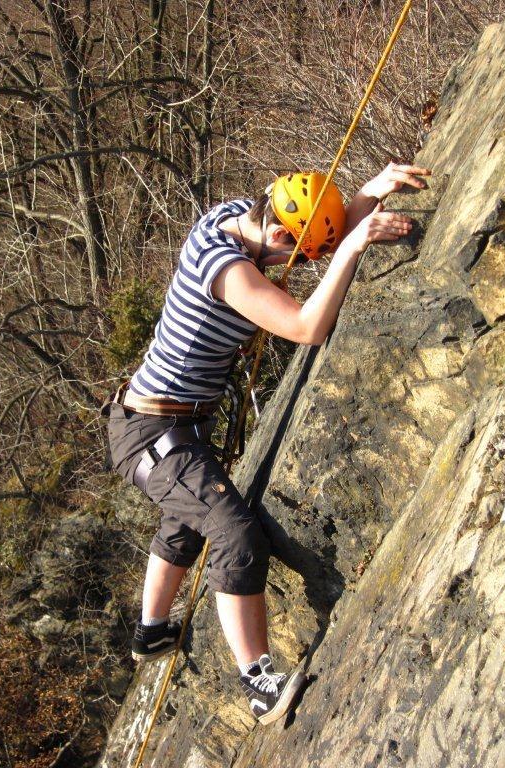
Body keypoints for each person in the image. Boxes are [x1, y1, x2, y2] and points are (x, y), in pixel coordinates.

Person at [103, 162, 430, 725]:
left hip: (168, 423)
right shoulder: (226, 270)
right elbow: (307, 326)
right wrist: (351, 248)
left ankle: (151, 632)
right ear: (276, 231)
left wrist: (365, 196)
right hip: (151, 432)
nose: (299, 263)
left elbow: (307, 242)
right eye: (293, 251)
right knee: (233, 530)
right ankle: (257, 682)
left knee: (185, 520)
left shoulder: (239, 217)